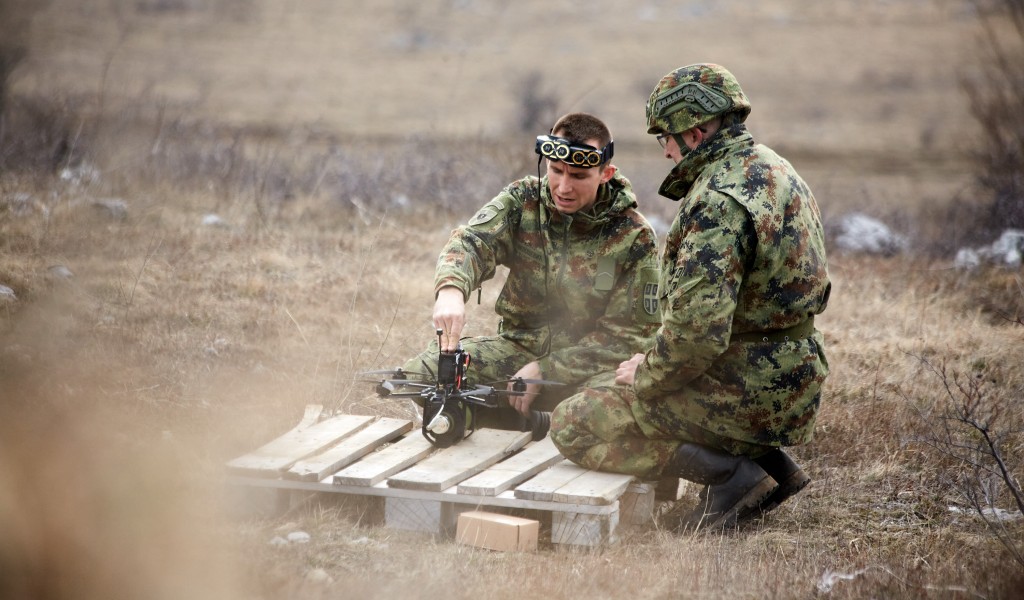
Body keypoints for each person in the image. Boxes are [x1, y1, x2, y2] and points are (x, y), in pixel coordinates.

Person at [550, 64, 831, 530]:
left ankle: (734, 476)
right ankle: (772, 466)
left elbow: (697, 334)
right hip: (793, 379)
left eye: (666, 138)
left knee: (575, 418)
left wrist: (647, 373)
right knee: (613, 378)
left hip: (748, 389)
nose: (665, 152)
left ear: (696, 133)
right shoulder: (774, 168)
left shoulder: (717, 202)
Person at [402, 112, 661, 432]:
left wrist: (547, 368)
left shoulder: (634, 236)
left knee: (609, 409)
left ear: (605, 173)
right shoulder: (524, 201)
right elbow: (473, 242)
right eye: (555, 171)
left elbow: (629, 338)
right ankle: (505, 423)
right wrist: (451, 290)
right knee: (424, 374)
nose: (563, 187)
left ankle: (550, 426)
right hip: (518, 351)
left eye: (579, 176)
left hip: (589, 370)